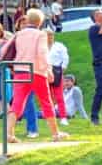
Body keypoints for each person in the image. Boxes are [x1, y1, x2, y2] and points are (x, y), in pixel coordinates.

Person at [5, 9, 68, 142]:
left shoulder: (18, 34)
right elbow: (42, 53)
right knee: (46, 102)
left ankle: (9, 134)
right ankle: (55, 133)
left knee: (17, 103)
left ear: (27, 20)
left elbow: (4, 50)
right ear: (40, 22)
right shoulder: (40, 34)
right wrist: (48, 70)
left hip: (20, 71)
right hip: (36, 71)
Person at [47, 32, 71, 120]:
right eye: (47, 36)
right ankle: (50, 116)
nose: (49, 37)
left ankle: (63, 116)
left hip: (56, 70)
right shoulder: (41, 47)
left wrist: (62, 69)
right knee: (47, 96)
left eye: (50, 35)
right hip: (45, 70)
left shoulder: (59, 46)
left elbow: (65, 58)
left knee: (59, 95)